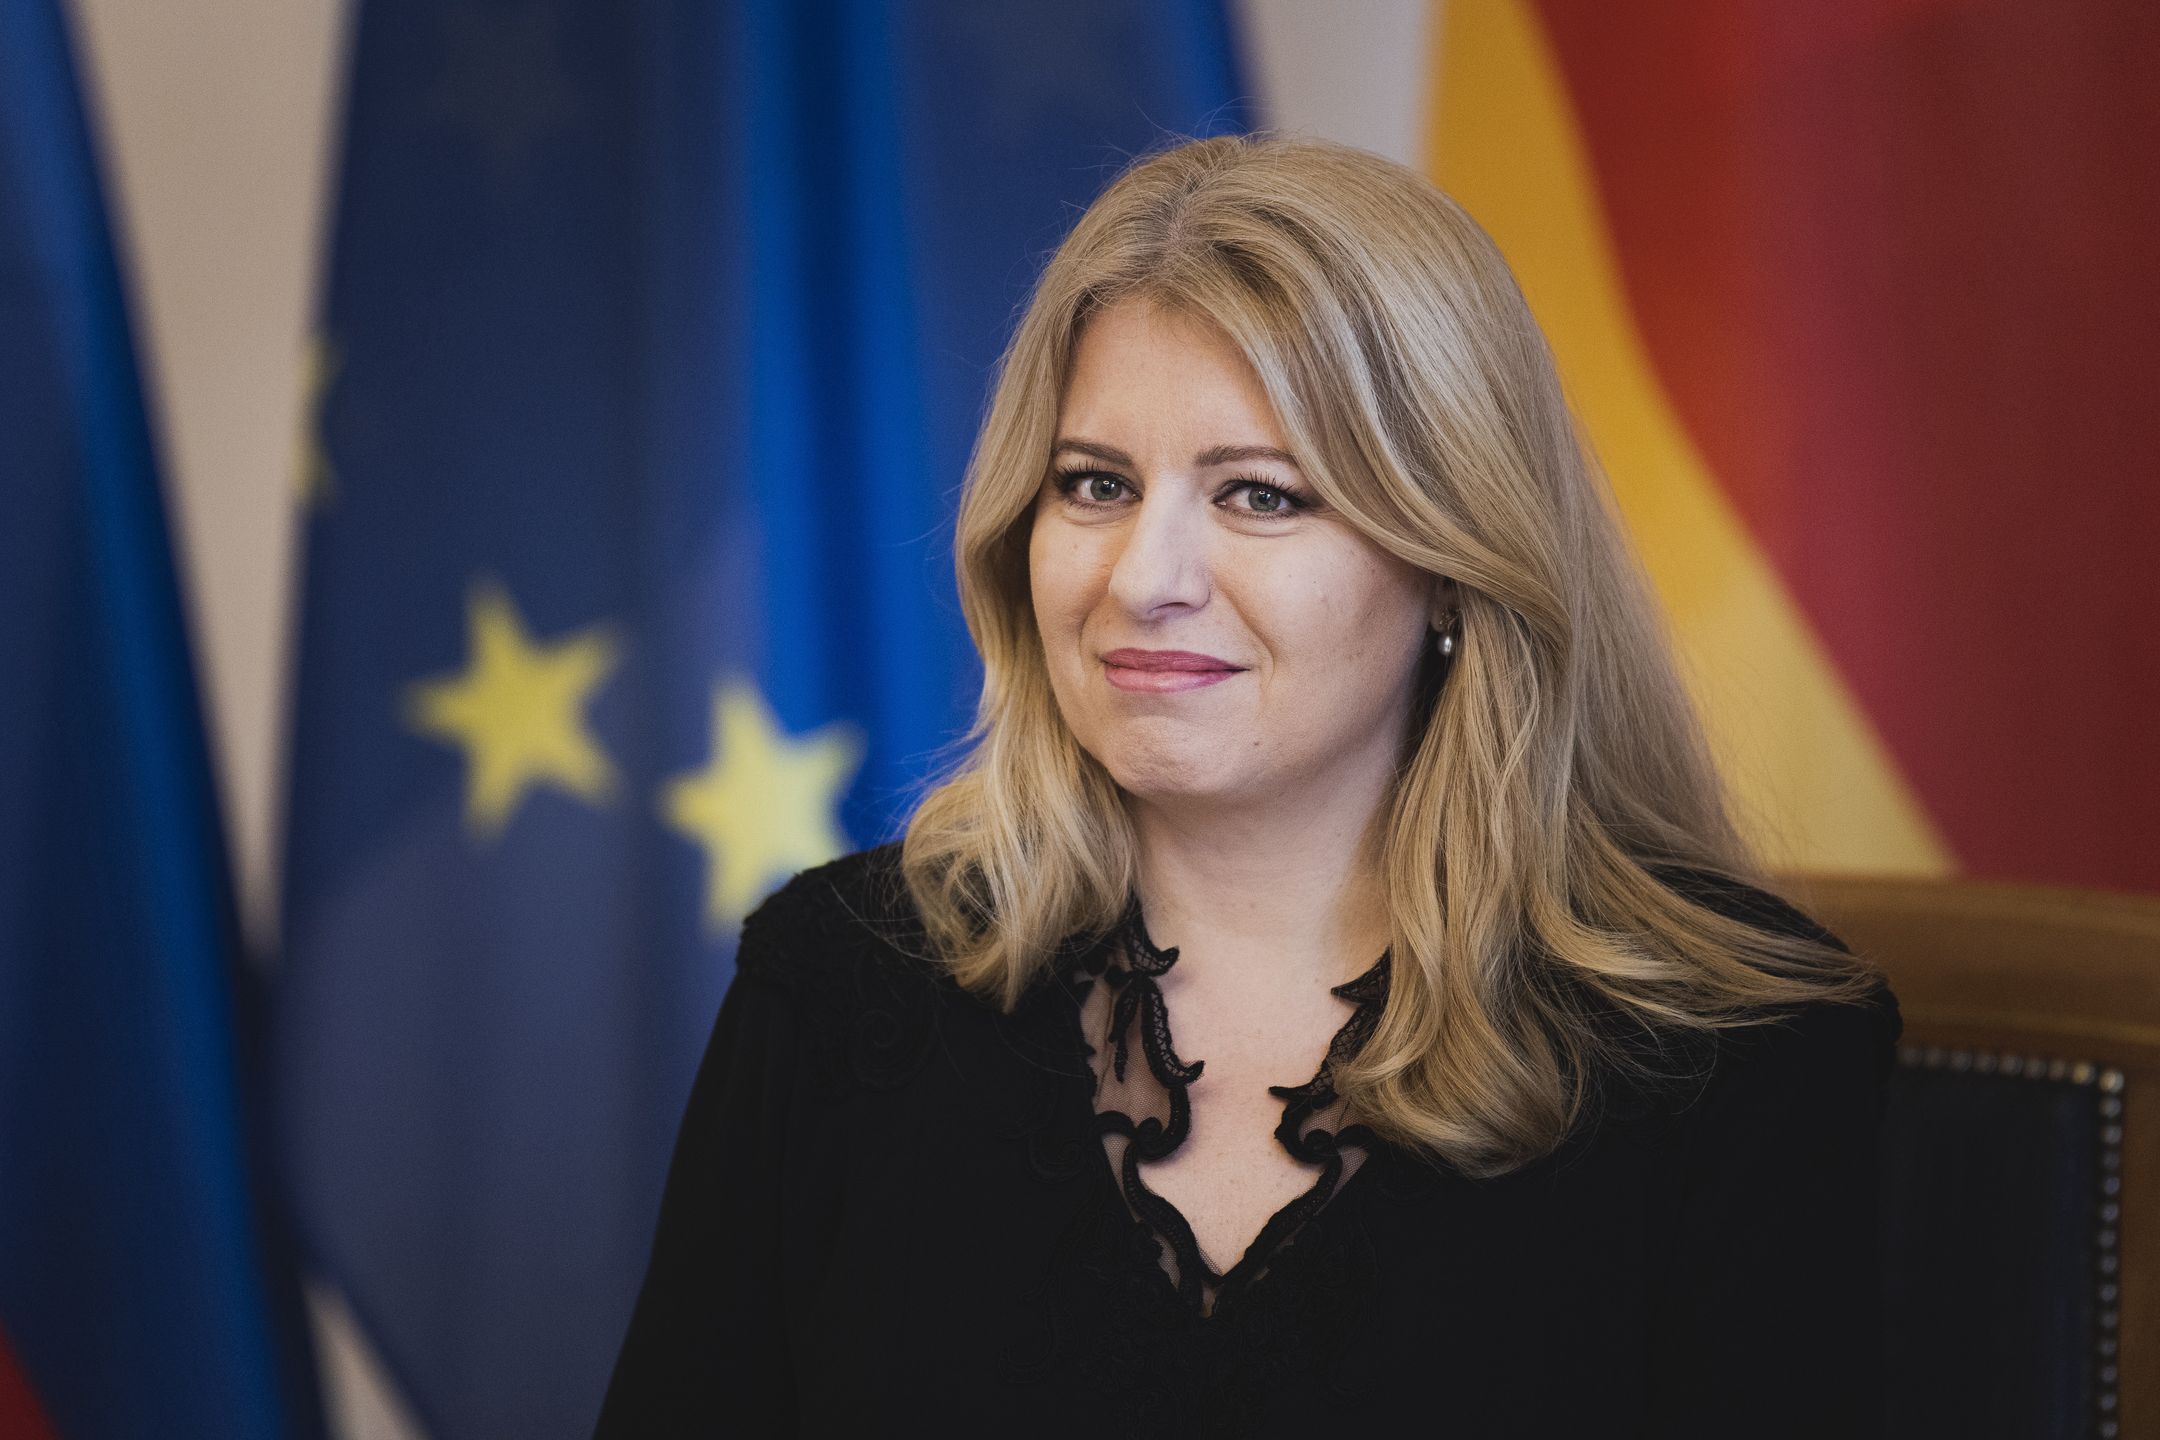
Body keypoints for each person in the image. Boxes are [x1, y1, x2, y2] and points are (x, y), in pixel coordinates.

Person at [593, 133, 1901, 1438]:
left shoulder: (1742, 1057)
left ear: (1454, 561)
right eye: (1096, 484)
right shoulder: (836, 986)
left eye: (1262, 497)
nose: (1144, 576)